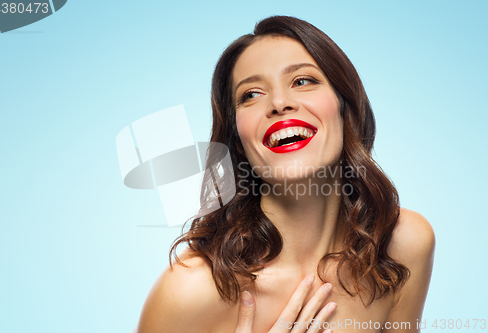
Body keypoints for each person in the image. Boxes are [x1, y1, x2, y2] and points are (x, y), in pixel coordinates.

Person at [133, 15, 435, 333]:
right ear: (237, 138)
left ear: (345, 106)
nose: (279, 103)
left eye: (303, 81)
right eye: (251, 94)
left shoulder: (404, 245)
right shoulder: (191, 291)